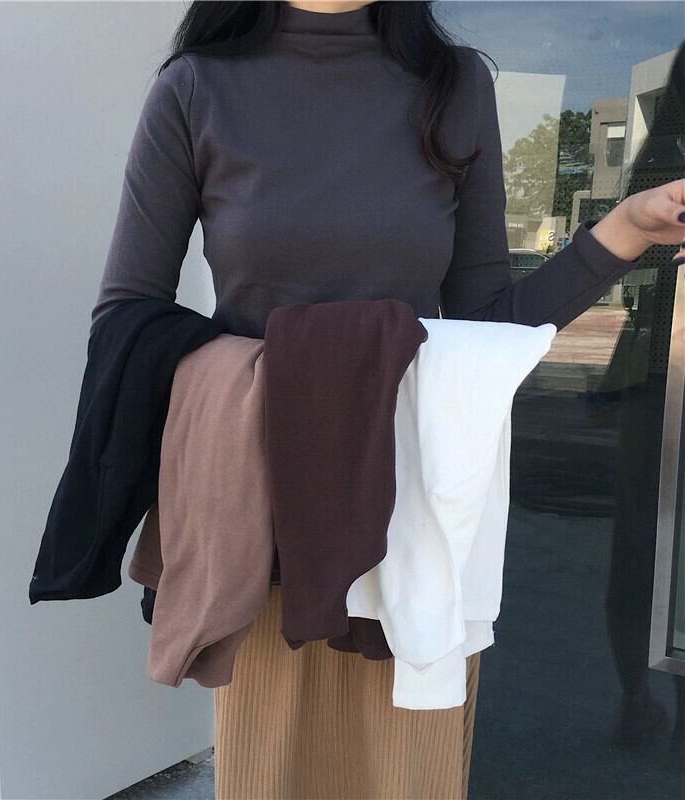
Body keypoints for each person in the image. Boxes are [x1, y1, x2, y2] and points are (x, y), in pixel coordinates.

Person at [90, 2, 685, 798]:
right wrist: (263, 382)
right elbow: (128, 315)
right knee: (275, 772)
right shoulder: (198, 87)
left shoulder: (452, 83)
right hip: (262, 513)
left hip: (417, 509)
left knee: (410, 773)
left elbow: (486, 326)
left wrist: (628, 229)